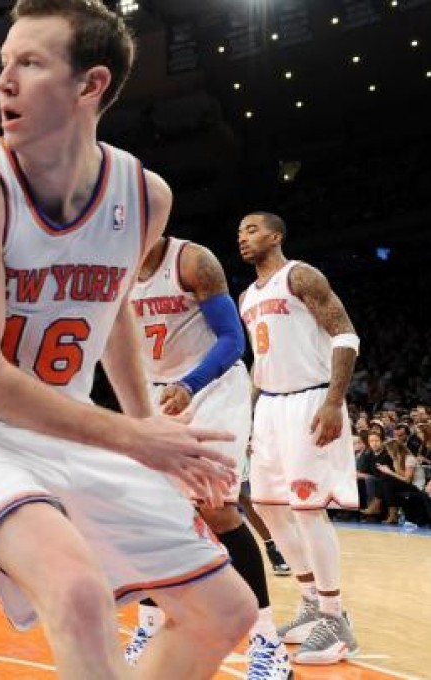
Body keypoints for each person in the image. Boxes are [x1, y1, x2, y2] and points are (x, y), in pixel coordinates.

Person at [0, 2, 257, 678]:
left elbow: (111, 307)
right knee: (78, 591)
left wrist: (147, 430)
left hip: (66, 430)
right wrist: (136, 437)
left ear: (91, 85)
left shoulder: (145, 196)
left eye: (30, 64)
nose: (3, 82)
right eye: (4, 64)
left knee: (226, 612)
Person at [126, 235, 291, 677]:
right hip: (155, 391)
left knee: (217, 509)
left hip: (212, 386)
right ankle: (148, 625)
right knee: (150, 512)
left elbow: (233, 340)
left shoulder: (193, 261)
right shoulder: (114, 267)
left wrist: (189, 385)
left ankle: (268, 643)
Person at [238, 210, 360, 664]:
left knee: (308, 511)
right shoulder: (246, 296)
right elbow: (260, 361)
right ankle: (311, 603)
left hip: (310, 400)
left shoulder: (300, 276)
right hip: (269, 406)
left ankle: (335, 617)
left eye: (251, 229)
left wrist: (333, 401)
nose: (243, 238)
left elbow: (345, 334)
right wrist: (247, 416)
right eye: (239, 232)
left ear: (276, 235)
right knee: (269, 507)